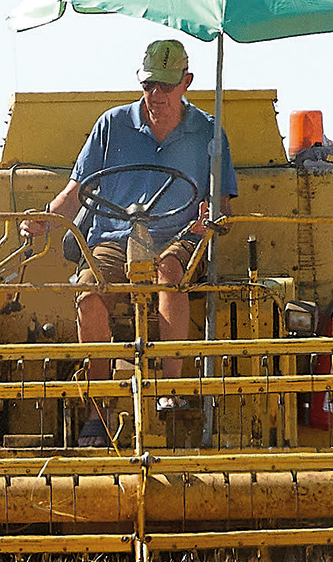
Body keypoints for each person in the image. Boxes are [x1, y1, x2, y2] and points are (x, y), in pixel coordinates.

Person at [27, 38, 237, 417]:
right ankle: (98, 408)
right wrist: (46, 219)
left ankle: (170, 390)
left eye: (166, 86)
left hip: (180, 236)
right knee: (88, 290)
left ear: (186, 82)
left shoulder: (209, 133)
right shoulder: (112, 124)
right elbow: (76, 190)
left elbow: (221, 202)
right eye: (148, 85)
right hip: (113, 237)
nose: (156, 95)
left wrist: (208, 217)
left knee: (170, 269)